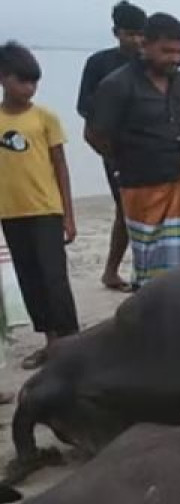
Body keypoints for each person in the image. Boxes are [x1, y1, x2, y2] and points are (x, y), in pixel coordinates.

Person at [87, 13, 180, 290]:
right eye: (167, 51)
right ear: (145, 45)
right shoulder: (118, 85)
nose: (175, 59)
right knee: (153, 271)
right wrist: (127, 161)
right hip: (143, 188)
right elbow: (94, 135)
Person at [0, 42, 81, 371]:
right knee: (29, 279)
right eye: (24, 81)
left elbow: (60, 167)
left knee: (54, 278)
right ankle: (50, 341)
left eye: (35, 83)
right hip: (10, 212)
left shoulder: (44, 117)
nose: (30, 89)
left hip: (46, 210)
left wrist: (69, 216)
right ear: (4, 78)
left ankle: (71, 341)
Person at [78, 1, 147, 292]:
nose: (135, 40)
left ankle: (141, 270)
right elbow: (87, 112)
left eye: (140, 34)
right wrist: (111, 154)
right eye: (129, 34)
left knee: (148, 211)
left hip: (148, 147)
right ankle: (111, 271)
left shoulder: (148, 63)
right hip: (114, 149)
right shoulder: (99, 64)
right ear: (116, 32)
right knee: (126, 210)